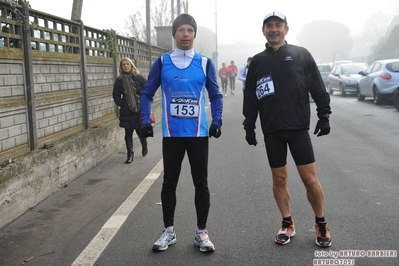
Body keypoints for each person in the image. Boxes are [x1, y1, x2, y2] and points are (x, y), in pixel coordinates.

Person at [242, 11, 332, 247]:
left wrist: (324, 116)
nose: (274, 29)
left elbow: (317, 86)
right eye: (269, 26)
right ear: (263, 30)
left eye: (278, 25)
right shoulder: (257, 61)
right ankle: (287, 223)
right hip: (272, 130)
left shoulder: (301, 54)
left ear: (286, 29)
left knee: (310, 180)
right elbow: (251, 96)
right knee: (279, 178)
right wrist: (248, 125)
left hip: (298, 128)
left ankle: (321, 224)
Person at [140, 13, 223, 253]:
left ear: (194, 34)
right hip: (172, 135)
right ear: (174, 34)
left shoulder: (205, 63)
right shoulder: (163, 62)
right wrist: (145, 119)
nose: (185, 34)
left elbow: (216, 95)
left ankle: (201, 233)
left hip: (198, 135)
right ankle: (168, 231)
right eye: (181, 30)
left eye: (189, 30)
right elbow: (146, 93)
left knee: (201, 184)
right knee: (169, 183)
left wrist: (216, 121)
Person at [112, 57, 148, 164]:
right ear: (121, 67)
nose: (126, 66)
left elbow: (147, 91)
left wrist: (143, 103)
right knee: (128, 134)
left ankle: (144, 145)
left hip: (139, 110)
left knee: (140, 132)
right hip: (127, 112)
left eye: (127, 64)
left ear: (131, 65)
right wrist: (123, 103)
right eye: (123, 65)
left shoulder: (139, 78)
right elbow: (116, 95)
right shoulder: (119, 80)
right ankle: (130, 154)